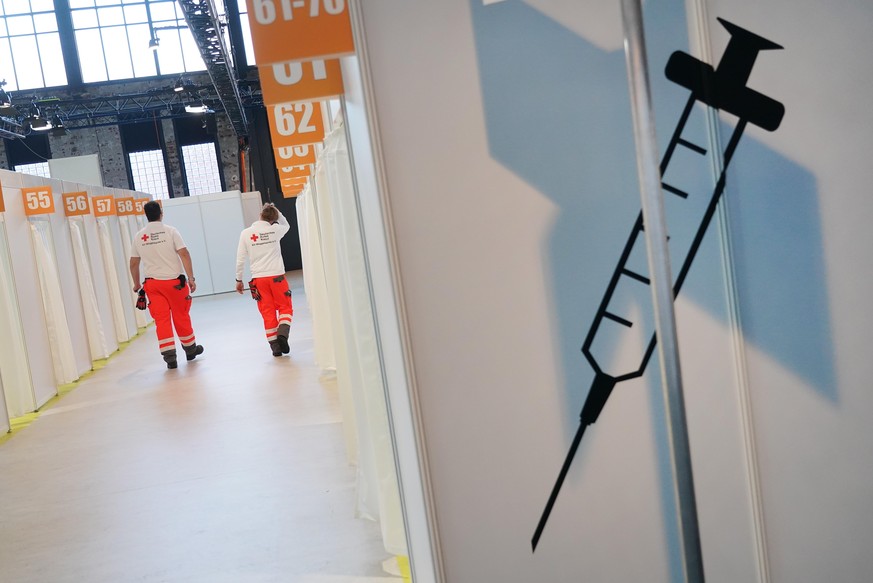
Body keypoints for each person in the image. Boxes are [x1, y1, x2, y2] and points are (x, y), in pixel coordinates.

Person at [130, 200, 204, 369]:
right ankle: (190, 349)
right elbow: (184, 253)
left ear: (146, 215)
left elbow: (133, 263)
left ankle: (170, 357)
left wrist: (136, 284)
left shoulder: (139, 236)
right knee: (181, 315)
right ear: (161, 213)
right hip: (174, 285)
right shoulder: (170, 231)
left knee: (161, 320)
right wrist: (191, 278)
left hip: (153, 286)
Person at [236, 202, 293, 357]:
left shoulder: (246, 233)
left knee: (267, 312)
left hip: (259, 280)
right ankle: (282, 334)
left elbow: (240, 259)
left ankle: (275, 347)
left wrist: (238, 279)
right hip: (277, 277)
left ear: (260, 215)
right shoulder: (275, 230)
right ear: (273, 219)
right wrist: (278, 212)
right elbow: (286, 224)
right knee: (285, 308)